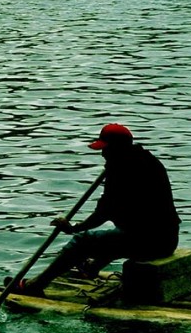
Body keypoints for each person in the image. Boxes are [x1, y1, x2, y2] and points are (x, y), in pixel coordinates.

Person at [15, 124, 179, 297]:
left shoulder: (121, 169)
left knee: (81, 241)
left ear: (117, 148)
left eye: (106, 149)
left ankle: (35, 285)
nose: (102, 154)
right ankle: (91, 268)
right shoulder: (148, 160)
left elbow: (103, 213)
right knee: (120, 231)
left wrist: (73, 228)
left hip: (149, 244)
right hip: (167, 239)